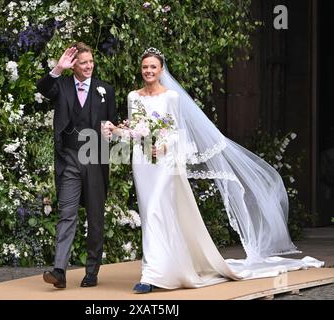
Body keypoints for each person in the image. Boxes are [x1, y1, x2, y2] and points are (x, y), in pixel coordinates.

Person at [108, 47, 323, 294]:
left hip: (165, 162)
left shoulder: (171, 97)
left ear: (161, 70)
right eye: (145, 67)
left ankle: (150, 274)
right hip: (143, 161)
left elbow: (178, 132)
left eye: (153, 67)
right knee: (150, 214)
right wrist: (116, 131)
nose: (148, 71)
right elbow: (134, 130)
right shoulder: (134, 97)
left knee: (157, 209)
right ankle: (166, 265)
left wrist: (164, 146)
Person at [36, 42, 116, 289]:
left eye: (91, 61)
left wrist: (111, 136)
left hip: (95, 156)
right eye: (83, 62)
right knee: (67, 213)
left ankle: (91, 271)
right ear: (73, 66)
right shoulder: (62, 84)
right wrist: (57, 69)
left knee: (95, 216)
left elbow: (113, 122)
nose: (89, 66)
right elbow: (42, 89)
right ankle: (59, 270)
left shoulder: (106, 89)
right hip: (69, 157)